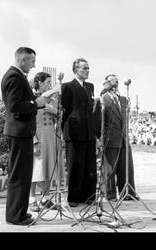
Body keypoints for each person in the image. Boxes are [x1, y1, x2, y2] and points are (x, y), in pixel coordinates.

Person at [1, 47, 48, 225]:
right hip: (18, 132)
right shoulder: (14, 76)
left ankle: (19, 212)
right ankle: (15, 215)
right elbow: (14, 106)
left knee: (23, 173)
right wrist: (35, 103)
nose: (34, 65)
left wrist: (35, 103)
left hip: (20, 132)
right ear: (22, 60)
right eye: (32, 61)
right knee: (19, 175)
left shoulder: (16, 75)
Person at [95, 74, 138, 201]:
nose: (116, 84)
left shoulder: (124, 100)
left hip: (124, 139)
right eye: (112, 81)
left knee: (126, 168)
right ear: (106, 83)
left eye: (117, 81)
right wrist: (98, 138)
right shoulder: (102, 99)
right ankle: (110, 194)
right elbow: (98, 121)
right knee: (110, 169)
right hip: (110, 139)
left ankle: (128, 192)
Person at [61, 58, 97, 207]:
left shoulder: (90, 86)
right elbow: (64, 110)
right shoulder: (67, 87)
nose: (87, 71)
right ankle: (74, 197)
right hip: (74, 132)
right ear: (76, 70)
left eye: (88, 68)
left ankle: (88, 196)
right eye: (84, 68)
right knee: (75, 165)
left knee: (90, 166)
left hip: (89, 132)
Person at [29, 72, 64, 212]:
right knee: (36, 169)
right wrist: (34, 141)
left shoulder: (53, 99)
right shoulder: (33, 98)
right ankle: (32, 200)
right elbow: (28, 121)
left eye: (51, 82)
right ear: (40, 83)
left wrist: (56, 112)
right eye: (48, 82)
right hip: (38, 135)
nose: (50, 85)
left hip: (52, 135)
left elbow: (61, 118)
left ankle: (45, 198)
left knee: (49, 168)